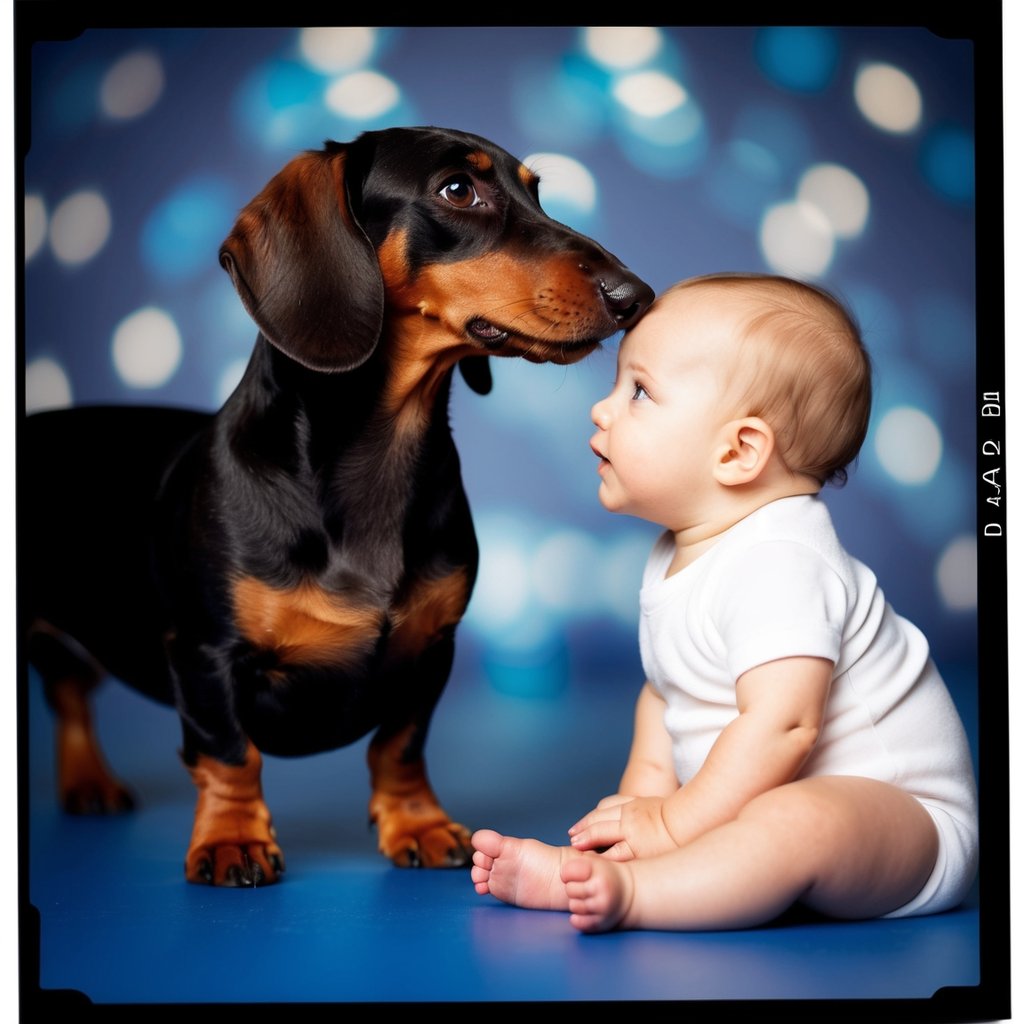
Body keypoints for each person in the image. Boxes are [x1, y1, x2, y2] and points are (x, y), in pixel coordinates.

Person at [470, 273, 978, 934]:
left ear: (738, 451)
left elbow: (784, 725)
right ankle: (597, 873)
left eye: (639, 392)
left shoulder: (782, 558)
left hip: (907, 822)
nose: (601, 409)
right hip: (771, 804)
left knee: (793, 821)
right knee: (756, 819)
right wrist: (635, 815)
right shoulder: (677, 552)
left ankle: (639, 894)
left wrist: (672, 824)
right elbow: (666, 697)